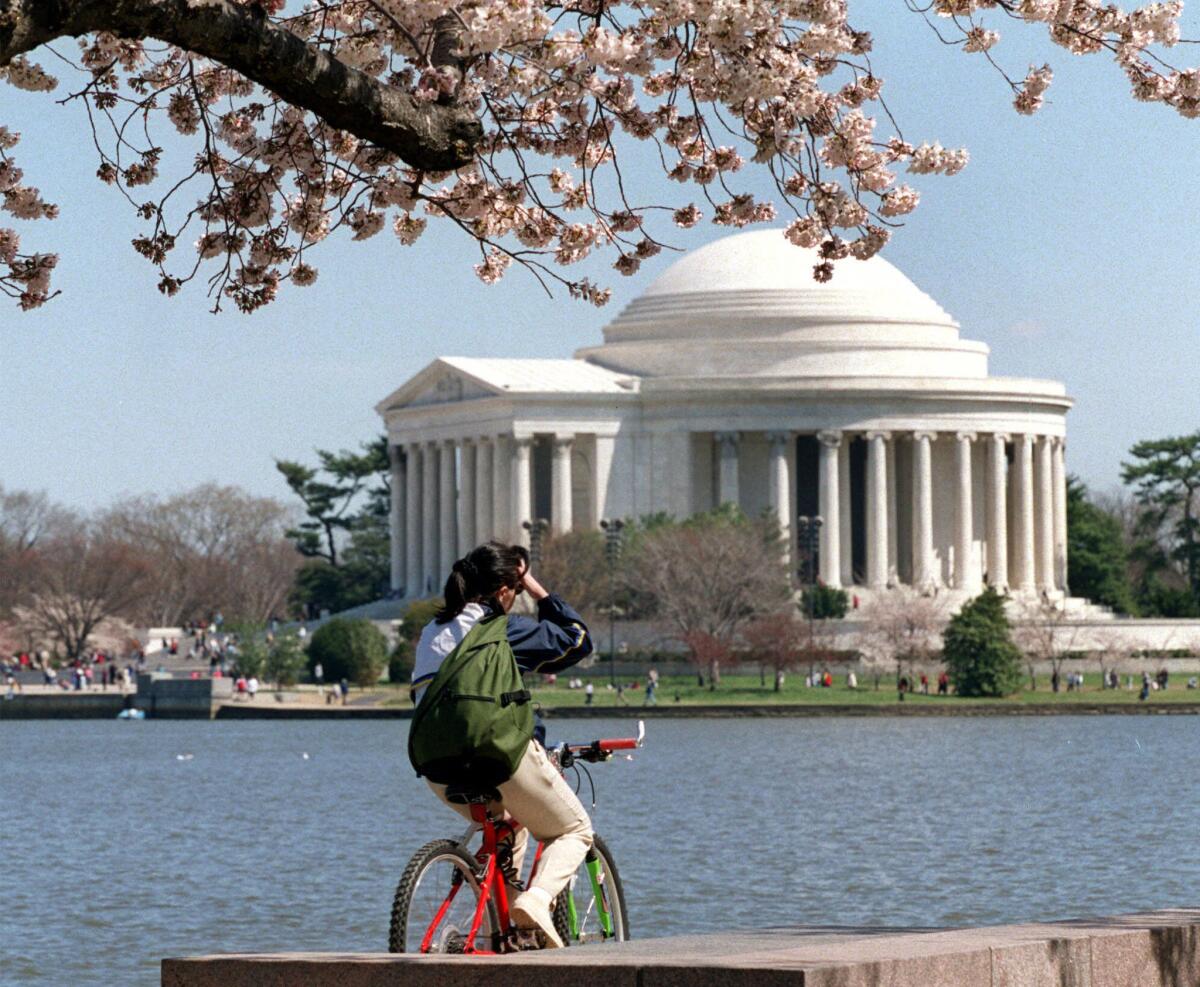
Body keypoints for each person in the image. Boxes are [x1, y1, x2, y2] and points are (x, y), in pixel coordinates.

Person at [411, 541, 593, 949]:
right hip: (497, 757)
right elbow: (578, 639)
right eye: (515, 588)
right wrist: (532, 583)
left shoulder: (430, 632)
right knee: (575, 830)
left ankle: (501, 933)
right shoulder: (502, 629)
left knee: (510, 824)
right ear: (504, 590)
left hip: (435, 766)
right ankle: (537, 900)